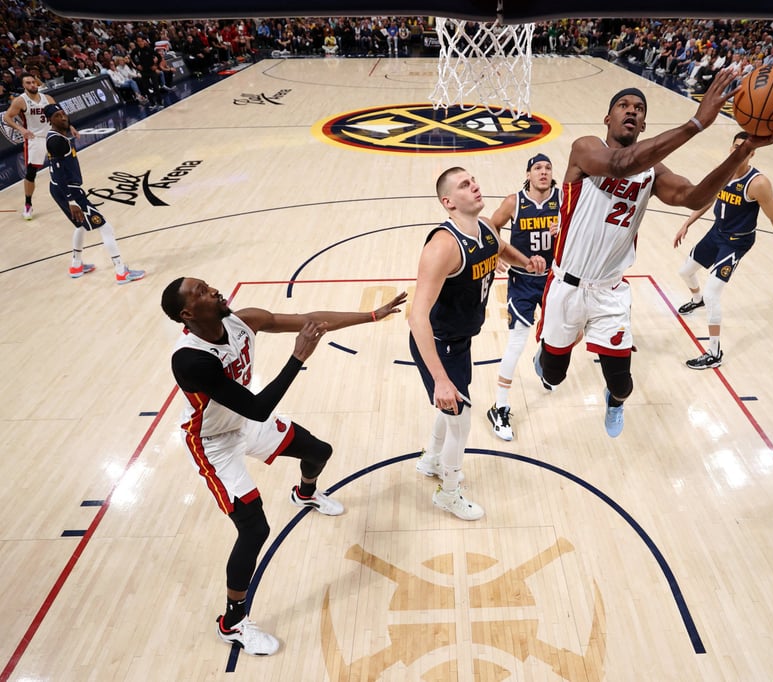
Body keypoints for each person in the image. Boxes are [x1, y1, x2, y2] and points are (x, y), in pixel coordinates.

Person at [533, 68, 773, 438]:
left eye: (639, 108)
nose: (631, 110)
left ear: (643, 125)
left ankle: (614, 399)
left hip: (609, 291)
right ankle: (549, 352)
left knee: (624, 385)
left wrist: (745, 150)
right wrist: (695, 124)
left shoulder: (652, 173)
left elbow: (695, 197)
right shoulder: (586, 149)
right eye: (623, 105)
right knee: (554, 375)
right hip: (566, 286)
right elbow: (621, 164)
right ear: (608, 118)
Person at [160, 276, 406, 656]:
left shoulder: (243, 319)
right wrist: (298, 358)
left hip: (243, 422)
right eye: (202, 292)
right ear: (188, 314)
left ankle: (304, 493)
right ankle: (232, 622)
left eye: (210, 285)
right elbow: (258, 406)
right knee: (254, 528)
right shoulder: (190, 359)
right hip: (212, 442)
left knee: (319, 451)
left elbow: (311, 319)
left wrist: (373, 315)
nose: (215, 290)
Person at [409, 167, 546, 520]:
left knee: (454, 409)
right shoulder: (443, 247)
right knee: (461, 420)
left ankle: (431, 461)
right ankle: (449, 493)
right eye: (464, 185)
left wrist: (526, 264)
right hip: (439, 344)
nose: (475, 186)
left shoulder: (484, 227)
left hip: (460, 340)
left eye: (474, 180)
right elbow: (416, 316)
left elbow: (500, 248)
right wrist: (440, 378)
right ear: (448, 202)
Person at [673, 131, 773, 369]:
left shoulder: (758, 183)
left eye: (743, 149)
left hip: (736, 242)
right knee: (685, 272)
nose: (737, 152)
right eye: (734, 147)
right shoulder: (724, 171)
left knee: (713, 294)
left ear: (751, 154)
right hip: (716, 232)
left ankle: (714, 352)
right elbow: (708, 198)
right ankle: (697, 300)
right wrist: (687, 223)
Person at [485, 153, 561, 441]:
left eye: (548, 167)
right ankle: (500, 406)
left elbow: (580, 233)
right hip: (522, 282)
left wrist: (564, 229)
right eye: (537, 168)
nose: (543, 172)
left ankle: (542, 364)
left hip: (555, 280)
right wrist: (493, 255)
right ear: (528, 174)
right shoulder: (513, 202)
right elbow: (490, 228)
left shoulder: (562, 200)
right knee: (517, 342)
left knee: (557, 337)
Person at [44, 103, 145, 283]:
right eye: (58, 116)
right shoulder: (56, 141)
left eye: (64, 114)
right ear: (50, 120)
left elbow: (65, 126)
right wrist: (71, 201)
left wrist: (71, 126)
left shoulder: (57, 135)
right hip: (69, 191)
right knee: (105, 227)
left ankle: (76, 265)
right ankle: (121, 271)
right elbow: (59, 173)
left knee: (80, 226)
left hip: (58, 189)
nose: (63, 117)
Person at [2, 74, 68, 220]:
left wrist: (70, 127)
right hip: (35, 139)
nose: (32, 85)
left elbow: (60, 115)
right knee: (31, 173)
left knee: (64, 165)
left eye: (33, 82)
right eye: (28, 83)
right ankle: (28, 204)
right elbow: (6, 117)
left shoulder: (48, 98)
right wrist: (21, 129)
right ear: (23, 85)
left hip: (51, 135)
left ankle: (69, 194)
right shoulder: (20, 100)